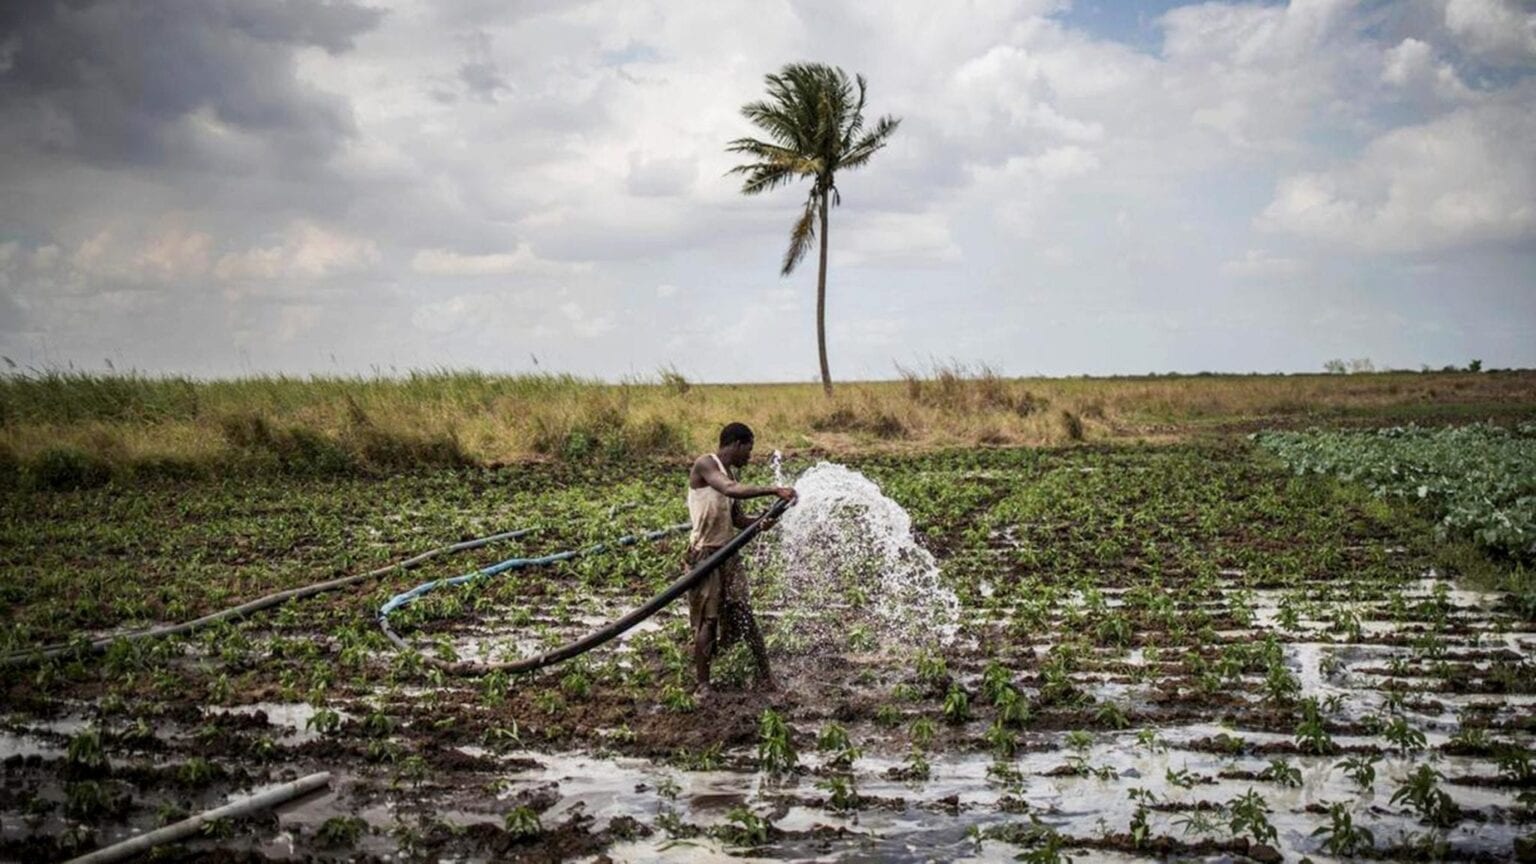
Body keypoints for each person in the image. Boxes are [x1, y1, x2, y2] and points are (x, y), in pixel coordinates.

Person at [685, 422, 796, 695]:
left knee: (744, 613)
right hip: (705, 555)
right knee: (708, 620)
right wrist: (773, 489)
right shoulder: (706, 465)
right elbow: (730, 489)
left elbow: (737, 519)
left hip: (728, 553)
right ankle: (703, 685)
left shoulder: (730, 473)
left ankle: (765, 677)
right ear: (736, 444)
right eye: (748, 449)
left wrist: (762, 521)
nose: (749, 456)